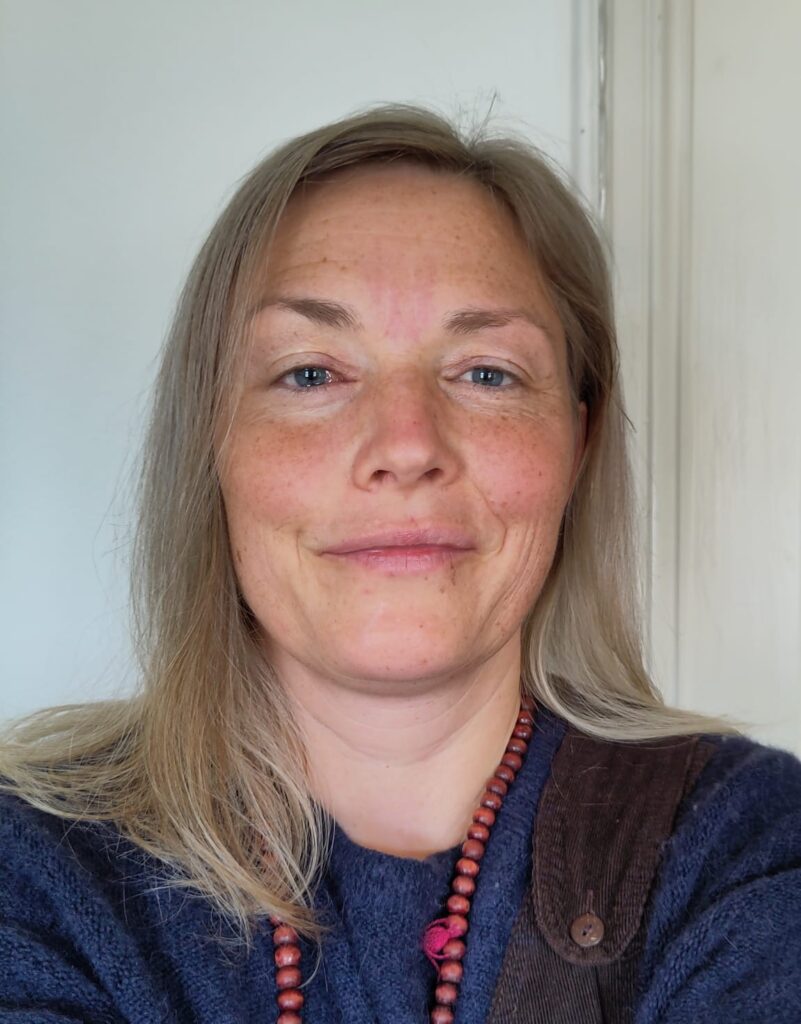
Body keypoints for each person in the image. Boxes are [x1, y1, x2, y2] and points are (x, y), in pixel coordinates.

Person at [1, 102, 800, 1024]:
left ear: (576, 443)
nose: (407, 445)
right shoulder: (35, 870)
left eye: (487, 373)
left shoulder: (741, 845)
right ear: (211, 442)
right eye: (310, 373)